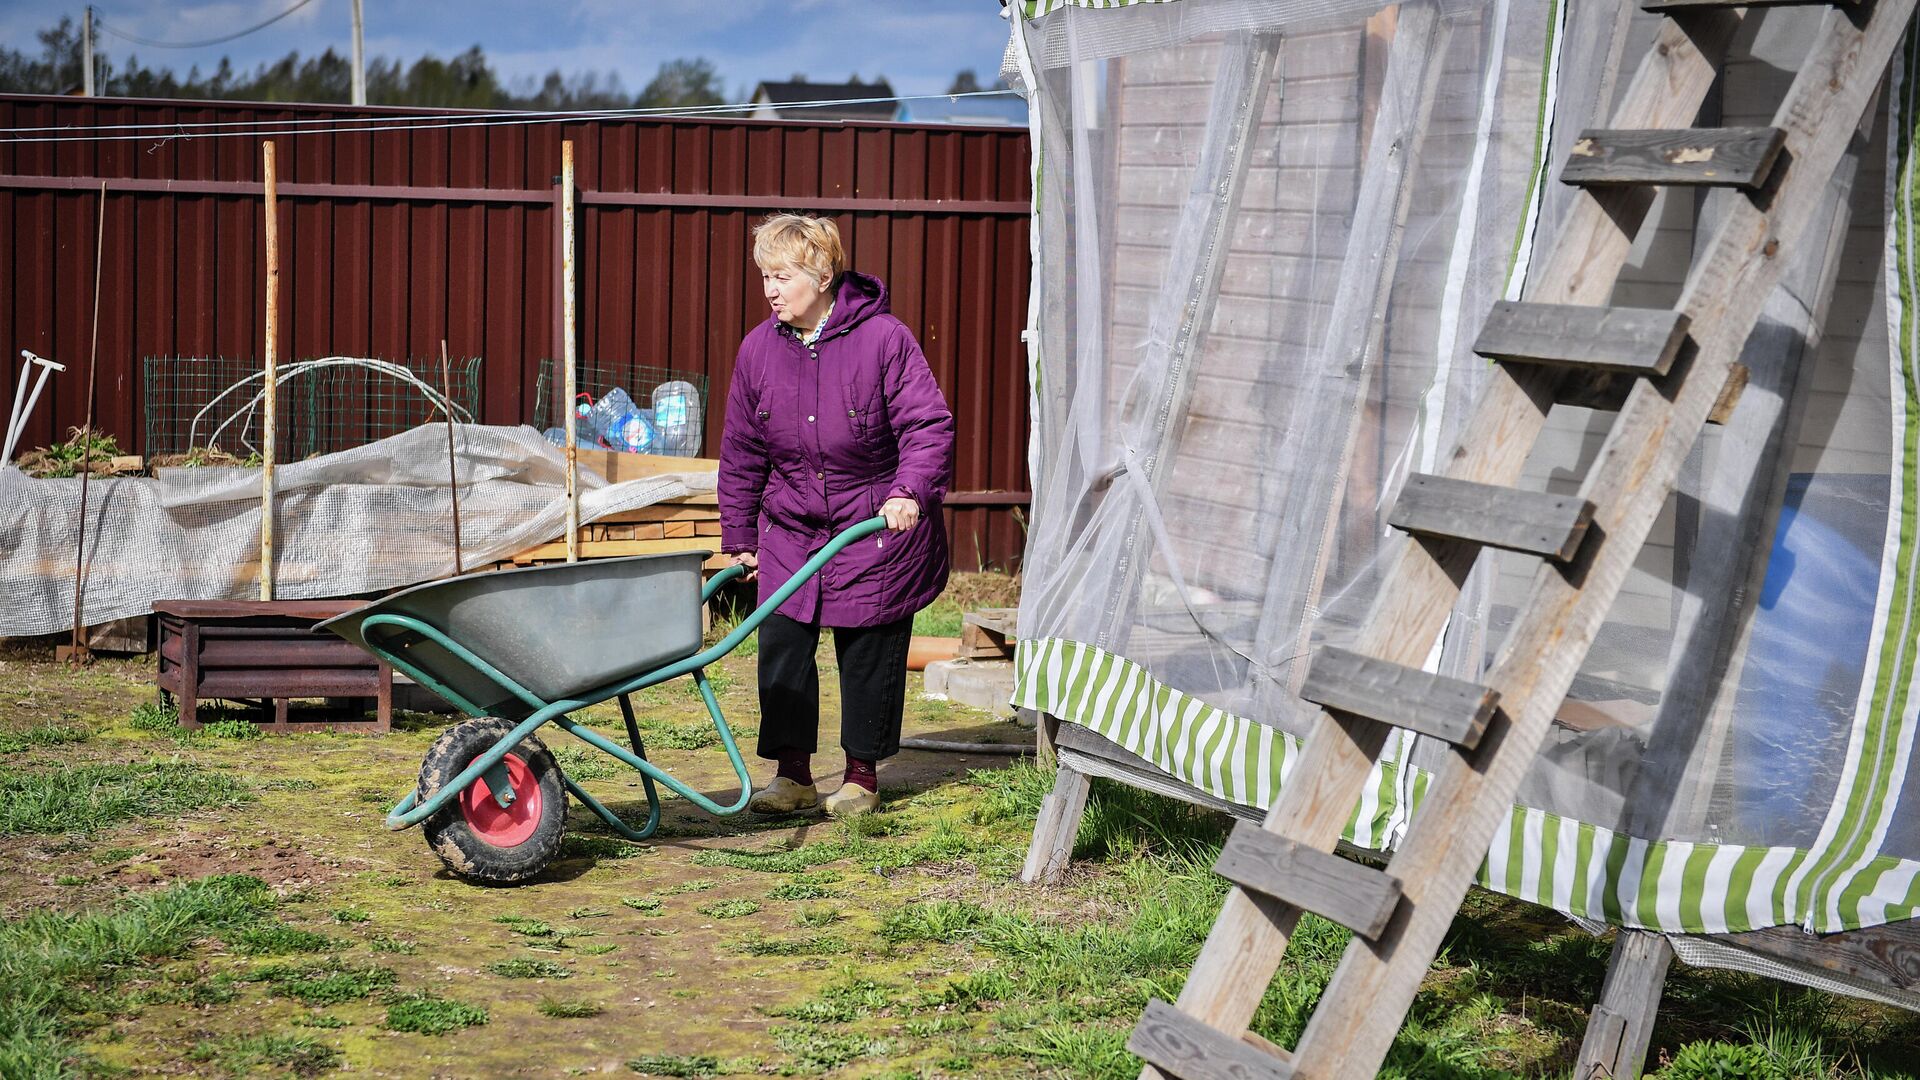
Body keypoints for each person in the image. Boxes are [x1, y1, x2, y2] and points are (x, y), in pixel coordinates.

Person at [718, 213, 955, 818]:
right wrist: (740, 536)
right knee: (783, 642)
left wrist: (910, 491)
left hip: (873, 522)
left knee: (868, 646)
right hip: (792, 525)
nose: (770, 289)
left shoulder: (884, 340)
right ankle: (792, 773)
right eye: (765, 275)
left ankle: (861, 776)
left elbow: (927, 425)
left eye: (783, 275)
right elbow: (742, 451)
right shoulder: (758, 350)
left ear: (823, 274)